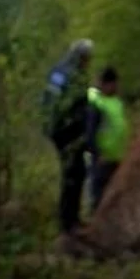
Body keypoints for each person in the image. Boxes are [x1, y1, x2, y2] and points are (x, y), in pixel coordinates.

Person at [41, 39, 94, 239]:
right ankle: (67, 221)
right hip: (66, 130)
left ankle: (72, 218)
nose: (88, 61)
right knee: (73, 173)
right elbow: (62, 104)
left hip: (68, 130)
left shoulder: (67, 73)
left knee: (76, 172)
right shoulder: (68, 74)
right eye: (87, 58)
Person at [85, 66, 130, 212]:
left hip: (116, 156)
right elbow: (90, 133)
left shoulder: (116, 101)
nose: (115, 87)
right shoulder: (97, 104)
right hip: (102, 158)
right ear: (104, 84)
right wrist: (97, 153)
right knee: (99, 195)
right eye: (112, 84)